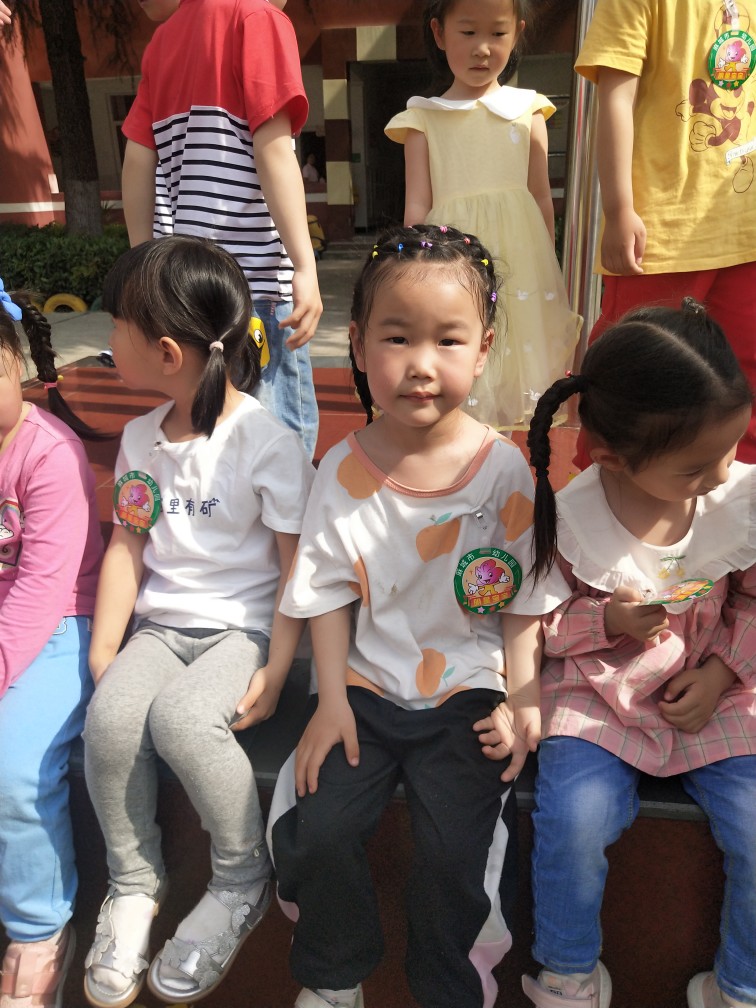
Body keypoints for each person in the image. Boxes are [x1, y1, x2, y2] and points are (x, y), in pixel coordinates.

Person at [267, 224, 571, 1008]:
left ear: (484, 349)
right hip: (366, 686)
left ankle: (450, 987)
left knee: (453, 851)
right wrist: (330, 700)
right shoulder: (342, 466)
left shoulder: (503, 470)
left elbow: (522, 596)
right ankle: (334, 973)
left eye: (448, 340)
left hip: (466, 689)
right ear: (358, 345)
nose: (421, 364)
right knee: (319, 827)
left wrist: (522, 695)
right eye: (397, 338)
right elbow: (326, 589)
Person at [81, 236, 314, 1008]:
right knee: (111, 718)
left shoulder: (265, 442)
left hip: (240, 632)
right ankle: (134, 883)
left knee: (184, 722)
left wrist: (276, 669)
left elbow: (295, 572)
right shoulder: (141, 437)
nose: (109, 336)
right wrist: (107, 649)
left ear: (168, 352)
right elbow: (128, 544)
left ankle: (242, 876)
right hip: (161, 629)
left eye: (118, 325)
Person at [520, 300, 756, 1008]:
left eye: (733, 449)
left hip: (717, 691)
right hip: (600, 698)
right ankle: (567, 972)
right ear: (614, 458)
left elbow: (751, 602)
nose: (720, 475)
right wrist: (608, 620)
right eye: (695, 468)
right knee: (572, 822)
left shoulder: (733, 498)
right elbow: (540, 625)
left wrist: (722, 672)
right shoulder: (571, 517)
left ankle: (738, 985)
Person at [120, 0, 322, 459]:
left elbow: (138, 157)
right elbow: (273, 148)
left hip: (192, 286)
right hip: (257, 283)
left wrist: (142, 264)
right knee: (280, 441)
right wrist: (304, 264)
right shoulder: (257, 19)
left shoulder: (163, 41)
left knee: (213, 430)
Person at [574, 0, 756, 464]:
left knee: (744, 375)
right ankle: (600, 488)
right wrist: (618, 209)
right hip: (661, 231)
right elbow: (615, 97)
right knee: (632, 373)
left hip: (745, 228)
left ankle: (740, 495)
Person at [385, 0, 580, 432]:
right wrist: (407, 269)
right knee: (458, 344)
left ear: (517, 33)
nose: (483, 48)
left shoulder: (529, 110)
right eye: (469, 32)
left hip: (519, 261)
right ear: (439, 33)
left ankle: (500, 461)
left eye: (497, 33)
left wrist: (545, 262)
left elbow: (541, 195)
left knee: (511, 359)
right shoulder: (422, 118)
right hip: (452, 256)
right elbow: (417, 205)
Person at [0, 280, 103, 1007]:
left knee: (14, 770)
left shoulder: (49, 454)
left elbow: (41, 590)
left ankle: (37, 930)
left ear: (15, 362)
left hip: (62, 623)